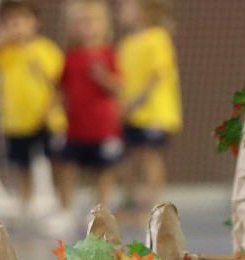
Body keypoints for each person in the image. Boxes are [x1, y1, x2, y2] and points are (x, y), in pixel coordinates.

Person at [0, 0, 69, 225]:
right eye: (11, 22)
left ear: (35, 22)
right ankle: (25, 202)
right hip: (16, 122)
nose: (17, 27)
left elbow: (59, 85)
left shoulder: (47, 49)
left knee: (55, 162)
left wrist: (48, 110)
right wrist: (2, 39)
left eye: (22, 21)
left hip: (47, 119)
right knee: (21, 164)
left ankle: (59, 204)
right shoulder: (4, 52)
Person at [57, 0, 122, 222]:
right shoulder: (69, 56)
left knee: (103, 172)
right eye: (80, 22)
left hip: (102, 127)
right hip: (75, 127)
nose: (86, 27)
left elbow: (119, 87)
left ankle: (100, 213)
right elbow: (61, 87)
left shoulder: (108, 54)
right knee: (67, 168)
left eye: (91, 22)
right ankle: (65, 211)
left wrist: (104, 77)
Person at [116, 0, 181, 215]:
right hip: (130, 113)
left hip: (154, 111)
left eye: (127, 6)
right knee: (130, 157)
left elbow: (157, 74)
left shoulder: (157, 37)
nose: (121, 10)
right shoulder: (126, 43)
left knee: (150, 156)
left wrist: (138, 100)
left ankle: (156, 203)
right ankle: (130, 199)